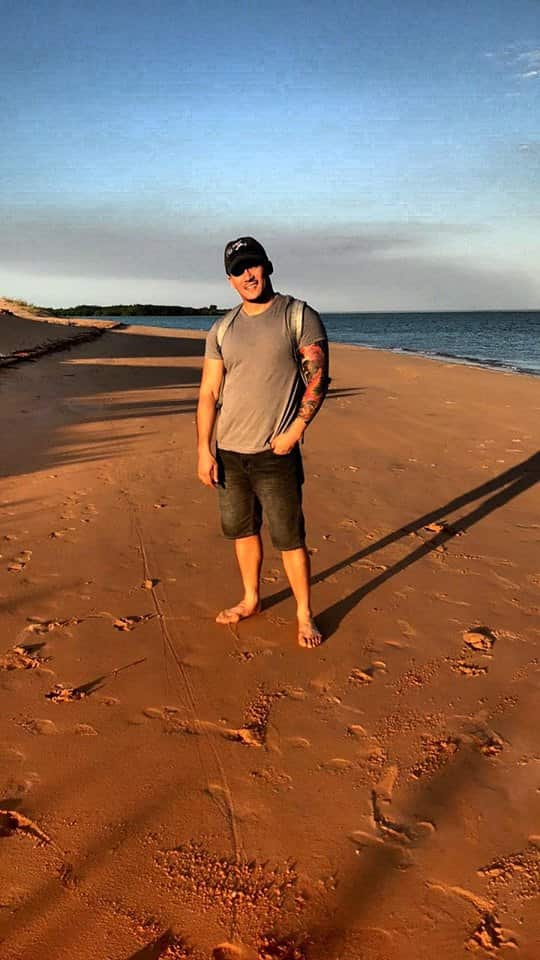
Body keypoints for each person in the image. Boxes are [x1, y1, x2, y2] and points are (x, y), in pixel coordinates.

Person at [196, 236, 329, 648]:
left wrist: (293, 433)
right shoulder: (222, 329)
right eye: (239, 270)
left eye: (253, 265)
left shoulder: (297, 315)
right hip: (230, 454)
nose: (248, 274)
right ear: (229, 279)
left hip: (275, 454)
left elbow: (318, 378)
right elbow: (209, 392)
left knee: (289, 537)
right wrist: (204, 448)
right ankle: (251, 598)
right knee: (242, 532)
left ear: (267, 266)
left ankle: (304, 614)